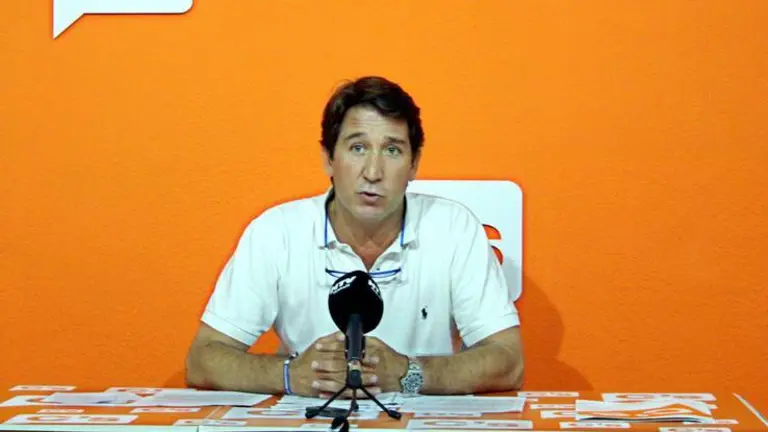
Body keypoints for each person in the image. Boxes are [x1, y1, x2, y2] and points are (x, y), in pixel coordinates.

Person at [185, 76, 523, 398]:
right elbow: (202, 359)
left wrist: (408, 373)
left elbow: (508, 361)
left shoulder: (452, 227)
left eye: (392, 150)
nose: (373, 173)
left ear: (414, 165)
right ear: (329, 159)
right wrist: (291, 375)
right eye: (358, 148)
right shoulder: (277, 232)